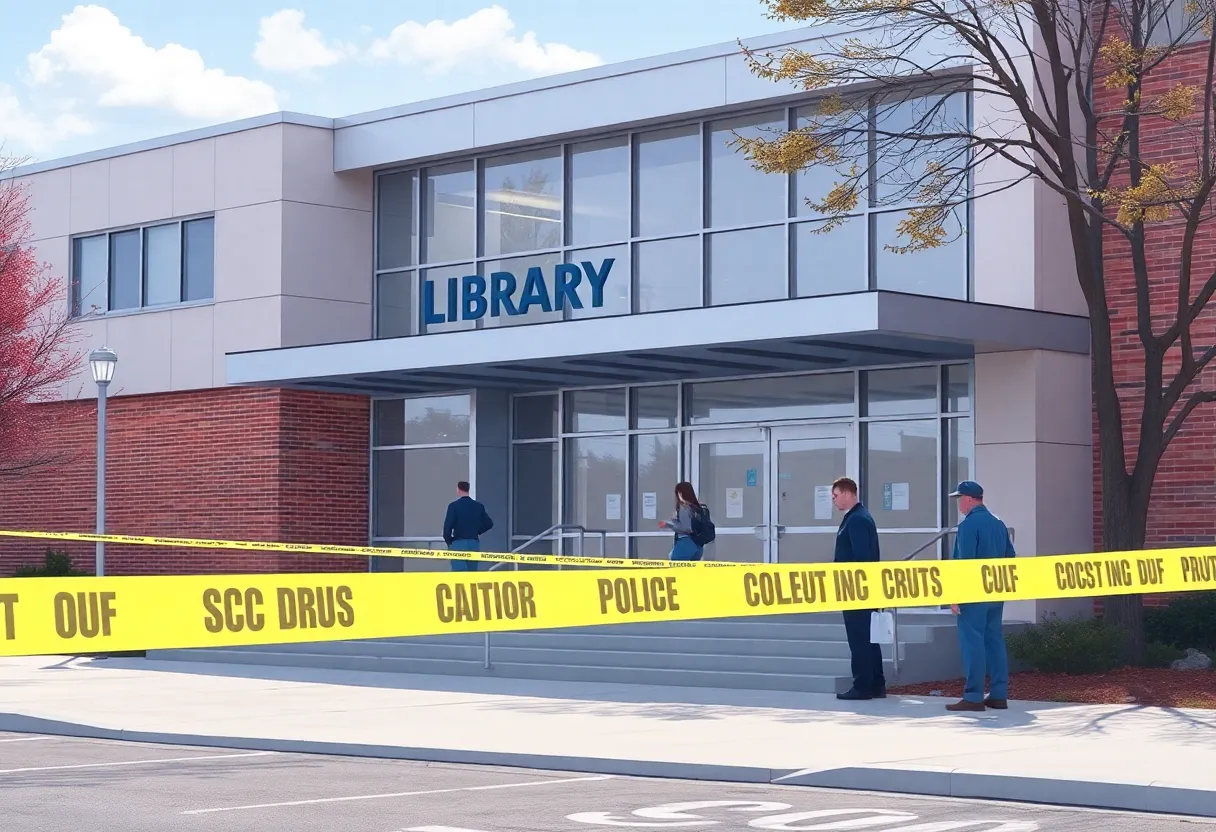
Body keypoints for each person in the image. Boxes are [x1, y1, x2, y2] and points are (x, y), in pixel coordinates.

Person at [946, 480, 1016, 711]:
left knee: (972, 642)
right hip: (995, 592)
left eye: (959, 499)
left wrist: (956, 595)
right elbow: (1010, 558)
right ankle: (999, 694)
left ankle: (974, 696)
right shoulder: (998, 523)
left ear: (968, 499)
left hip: (973, 594)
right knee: (994, 641)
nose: (959, 504)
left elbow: (964, 564)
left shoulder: (968, 526)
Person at [830, 476, 886, 701]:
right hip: (862, 587)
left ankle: (863, 685)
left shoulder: (857, 520)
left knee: (860, 639)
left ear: (847, 493)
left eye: (835, 495)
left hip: (856, 588)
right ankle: (876, 684)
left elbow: (862, 557)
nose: (833, 500)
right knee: (869, 638)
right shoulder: (858, 517)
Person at [442, 481, 494, 572]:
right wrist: (478, 531)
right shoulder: (478, 506)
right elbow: (489, 523)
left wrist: (449, 541)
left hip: (458, 542)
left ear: (458, 490)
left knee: (459, 573)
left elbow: (447, 527)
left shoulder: (454, 506)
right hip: (473, 543)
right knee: (472, 573)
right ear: (468, 490)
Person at [658, 482, 710, 561]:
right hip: (698, 545)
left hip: (686, 543)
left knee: (677, 565)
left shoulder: (684, 507)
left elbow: (686, 528)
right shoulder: (697, 508)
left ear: (680, 493)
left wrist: (668, 524)